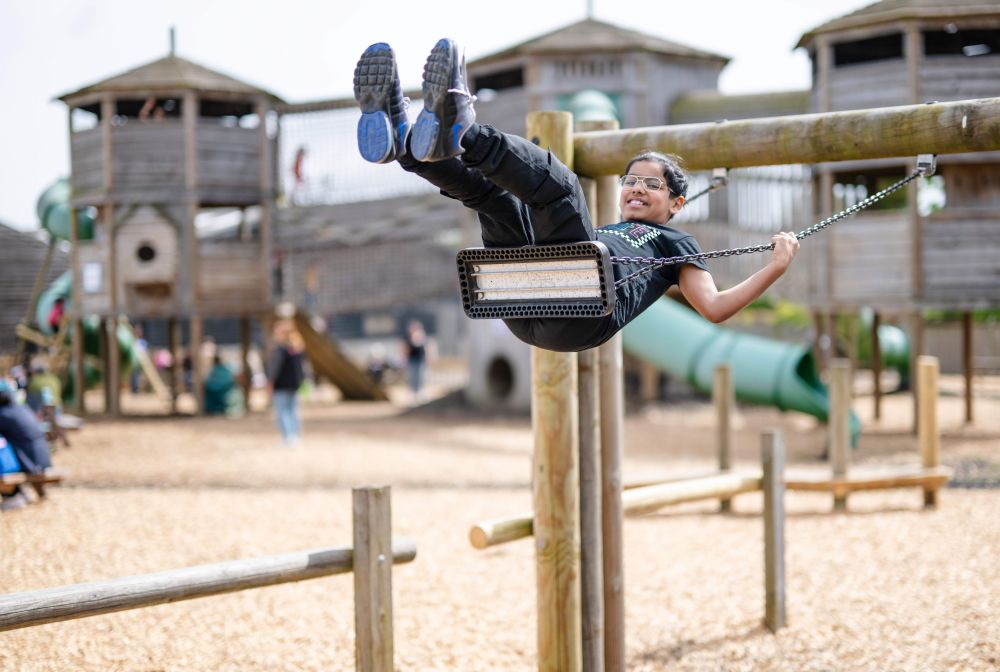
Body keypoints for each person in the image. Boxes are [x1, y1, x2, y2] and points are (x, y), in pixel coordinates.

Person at [353, 40, 800, 353]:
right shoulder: (605, 233)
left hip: (581, 314)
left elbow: (715, 308)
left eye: (652, 184)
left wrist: (775, 266)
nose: (637, 189)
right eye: (630, 181)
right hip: (529, 304)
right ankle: (405, 143)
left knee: (561, 189)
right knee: (496, 201)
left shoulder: (676, 243)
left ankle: (463, 130)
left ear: (677, 204)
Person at [0, 380, 54, 511]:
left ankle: (13, 495)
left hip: (30, 462)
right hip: (40, 460)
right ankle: (18, 494)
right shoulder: (21, 409)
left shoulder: (4, 414)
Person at [268, 321, 306, 445]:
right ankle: (294, 435)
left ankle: (287, 436)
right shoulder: (297, 348)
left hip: (281, 385)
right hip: (294, 385)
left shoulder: (280, 349)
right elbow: (303, 368)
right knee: (293, 411)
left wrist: (270, 381)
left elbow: (274, 368)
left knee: (282, 411)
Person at [403, 320, 430, 403]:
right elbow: (406, 349)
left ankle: (420, 393)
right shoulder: (408, 338)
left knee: (421, 376)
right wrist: (405, 359)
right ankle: (413, 394)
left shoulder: (423, 337)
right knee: (412, 377)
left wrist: (428, 358)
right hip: (412, 360)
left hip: (420, 360)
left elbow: (426, 349)